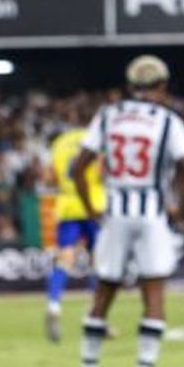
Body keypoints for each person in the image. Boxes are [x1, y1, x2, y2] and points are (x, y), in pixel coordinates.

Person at [71, 55, 184, 367]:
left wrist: (90, 208)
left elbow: (78, 167)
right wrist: (179, 208)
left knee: (104, 292)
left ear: (131, 86)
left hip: (115, 210)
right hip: (151, 212)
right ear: (162, 87)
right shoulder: (167, 120)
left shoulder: (108, 115)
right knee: (154, 293)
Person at [44, 107, 106, 343]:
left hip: (67, 205)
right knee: (98, 261)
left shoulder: (59, 143)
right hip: (93, 204)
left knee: (65, 257)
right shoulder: (95, 140)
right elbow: (101, 172)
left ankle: (54, 304)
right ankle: (96, 317)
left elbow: (50, 177)